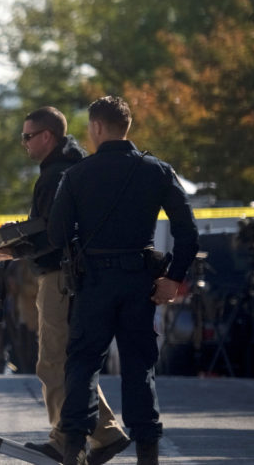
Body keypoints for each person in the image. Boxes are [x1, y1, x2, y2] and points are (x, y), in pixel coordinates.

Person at [48, 96, 199, 465]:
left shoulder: (76, 175)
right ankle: (148, 453)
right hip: (140, 281)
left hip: (94, 282)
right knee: (139, 367)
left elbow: (56, 235)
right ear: (126, 126)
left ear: (97, 127)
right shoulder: (156, 171)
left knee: (83, 364)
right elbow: (188, 232)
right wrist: (173, 279)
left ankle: (74, 449)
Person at [0, 106, 130, 464]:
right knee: (69, 362)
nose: (24, 143)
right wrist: (14, 247)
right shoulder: (73, 167)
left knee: (53, 363)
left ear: (48, 136)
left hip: (61, 279)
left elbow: (52, 233)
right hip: (77, 277)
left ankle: (68, 438)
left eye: (28, 136)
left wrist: (11, 249)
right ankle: (104, 433)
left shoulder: (56, 175)